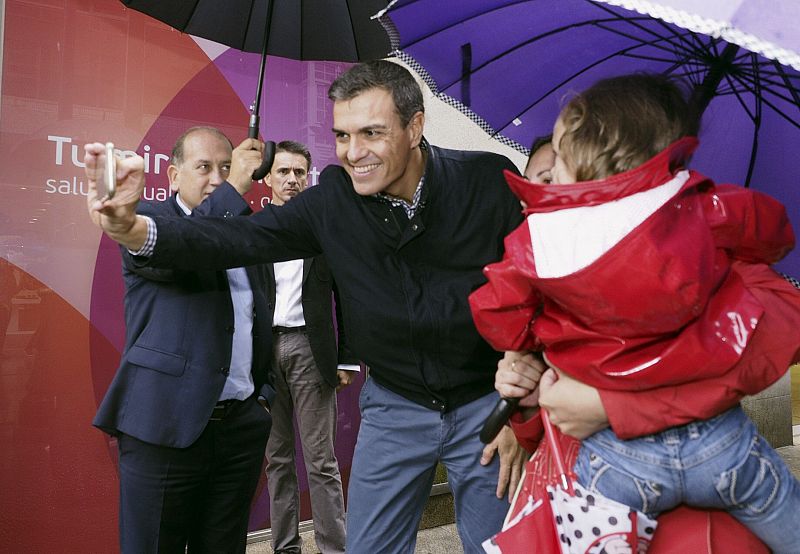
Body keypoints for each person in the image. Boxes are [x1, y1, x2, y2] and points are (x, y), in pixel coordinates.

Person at [84, 60, 528, 553]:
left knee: (500, 547)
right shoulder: (333, 200)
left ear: (416, 126)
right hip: (393, 406)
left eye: (372, 133)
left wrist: (517, 407)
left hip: (487, 407)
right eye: (341, 135)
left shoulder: (488, 181)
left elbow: (534, 288)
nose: (353, 152)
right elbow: (235, 237)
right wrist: (135, 230)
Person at [470, 74, 800, 552]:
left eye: (556, 164)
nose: (545, 184)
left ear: (584, 165)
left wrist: (601, 397)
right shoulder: (705, 217)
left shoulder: (540, 248)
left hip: (613, 463)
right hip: (721, 447)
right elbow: (769, 227)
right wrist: (525, 380)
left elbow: (496, 311)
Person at [90, 126, 275, 554]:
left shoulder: (249, 235)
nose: (217, 177)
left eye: (226, 167)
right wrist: (233, 190)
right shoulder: (153, 223)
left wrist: (262, 395)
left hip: (238, 432)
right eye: (205, 167)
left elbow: (260, 318)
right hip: (164, 428)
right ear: (173, 176)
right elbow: (191, 246)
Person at [263, 140, 359, 554]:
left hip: (310, 350)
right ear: (268, 178)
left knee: (320, 461)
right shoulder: (254, 229)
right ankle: (285, 547)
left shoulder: (325, 232)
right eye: (283, 172)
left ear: (309, 178)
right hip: (264, 354)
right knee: (277, 459)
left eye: (299, 172)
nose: (291, 180)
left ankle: (333, 548)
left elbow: (349, 298)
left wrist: (348, 358)